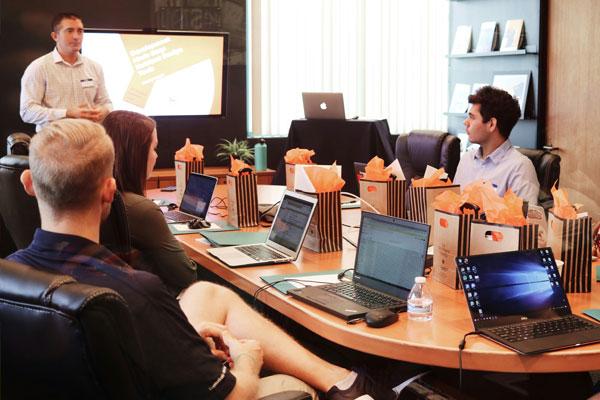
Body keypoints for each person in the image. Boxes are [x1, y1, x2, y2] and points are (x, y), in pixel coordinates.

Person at [8, 118, 400, 399]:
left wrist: (184, 341)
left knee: (207, 292)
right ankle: (343, 383)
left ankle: (342, 378)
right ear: (109, 191)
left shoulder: (12, 276)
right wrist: (246, 360)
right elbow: (232, 393)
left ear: (28, 184)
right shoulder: (135, 292)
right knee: (292, 388)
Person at [102, 110, 196, 295]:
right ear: (136, 154)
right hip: (157, 304)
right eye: (153, 148)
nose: (156, 156)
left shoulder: (96, 197)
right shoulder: (141, 210)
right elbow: (187, 276)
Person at [19, 12, 112, 132]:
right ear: (55, 36)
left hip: (90, 140)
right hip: (54, 143)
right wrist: (66, 113)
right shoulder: (39, 68)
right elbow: (27, 112)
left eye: (80, 31)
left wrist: (103, 111)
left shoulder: (94, 67)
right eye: (69, 31)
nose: (76, 36)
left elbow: (106, 103)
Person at [453, 86, 540, 205]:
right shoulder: (466, 160)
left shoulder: (520, 168)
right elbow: (451, 208)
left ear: (491, 124)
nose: (466, 122)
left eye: (472, 117)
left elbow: (525, 221)